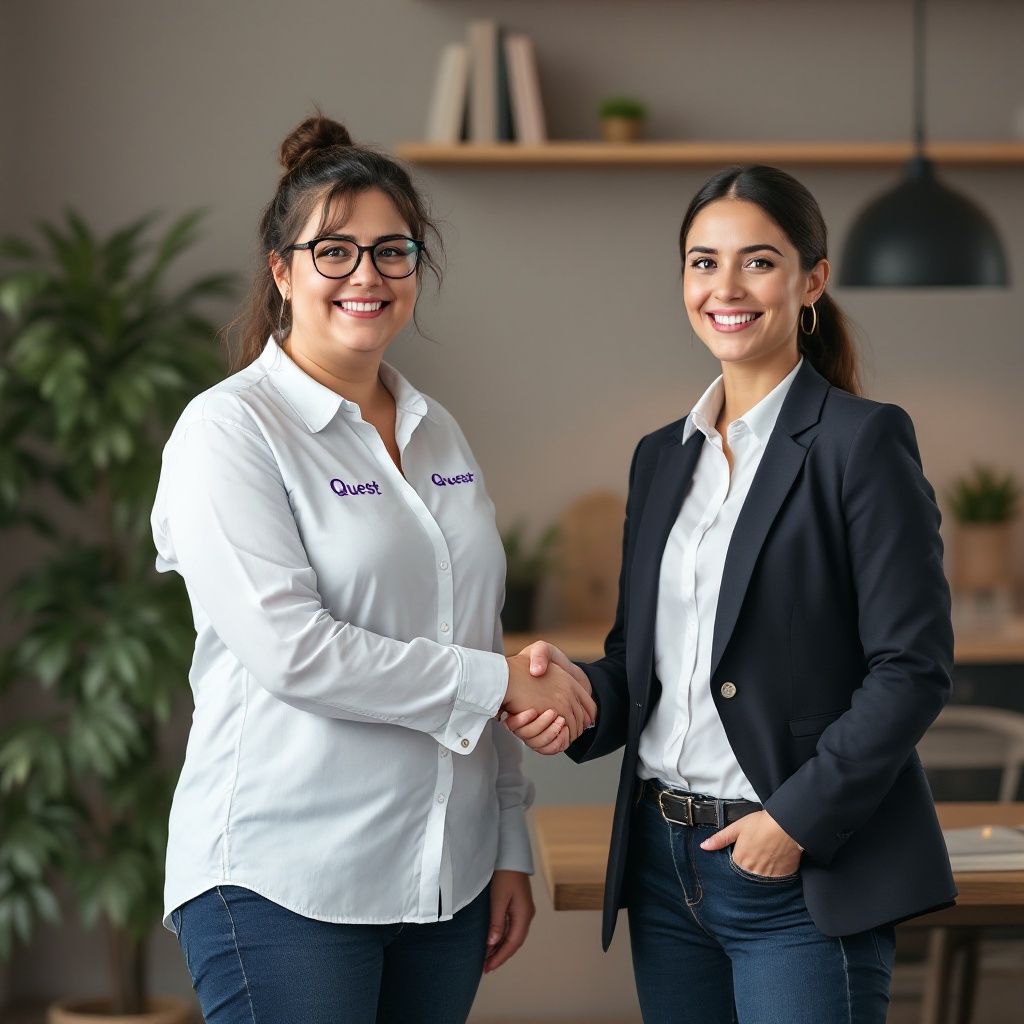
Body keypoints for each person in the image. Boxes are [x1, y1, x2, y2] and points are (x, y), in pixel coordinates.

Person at [150, 113, 595, 1024]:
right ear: (281, 270)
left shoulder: (438, 430)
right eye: (335, 251)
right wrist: (496, 680)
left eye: (393, 252)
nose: (368, 276)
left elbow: (477, 635)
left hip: (445, 880)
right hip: (285, 880)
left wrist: (508, 840)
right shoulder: (229, 432)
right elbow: (293, 650)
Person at [507, 164, 956, 1023]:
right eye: (703, 262)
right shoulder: (660, 455)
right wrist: (571, 698)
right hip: (661, 860)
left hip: (796, 865)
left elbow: (912, 668)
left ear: (811, 279)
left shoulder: (861, 443)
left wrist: (794, 823)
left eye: (758, 261)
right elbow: (642, 661)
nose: (726, 287)